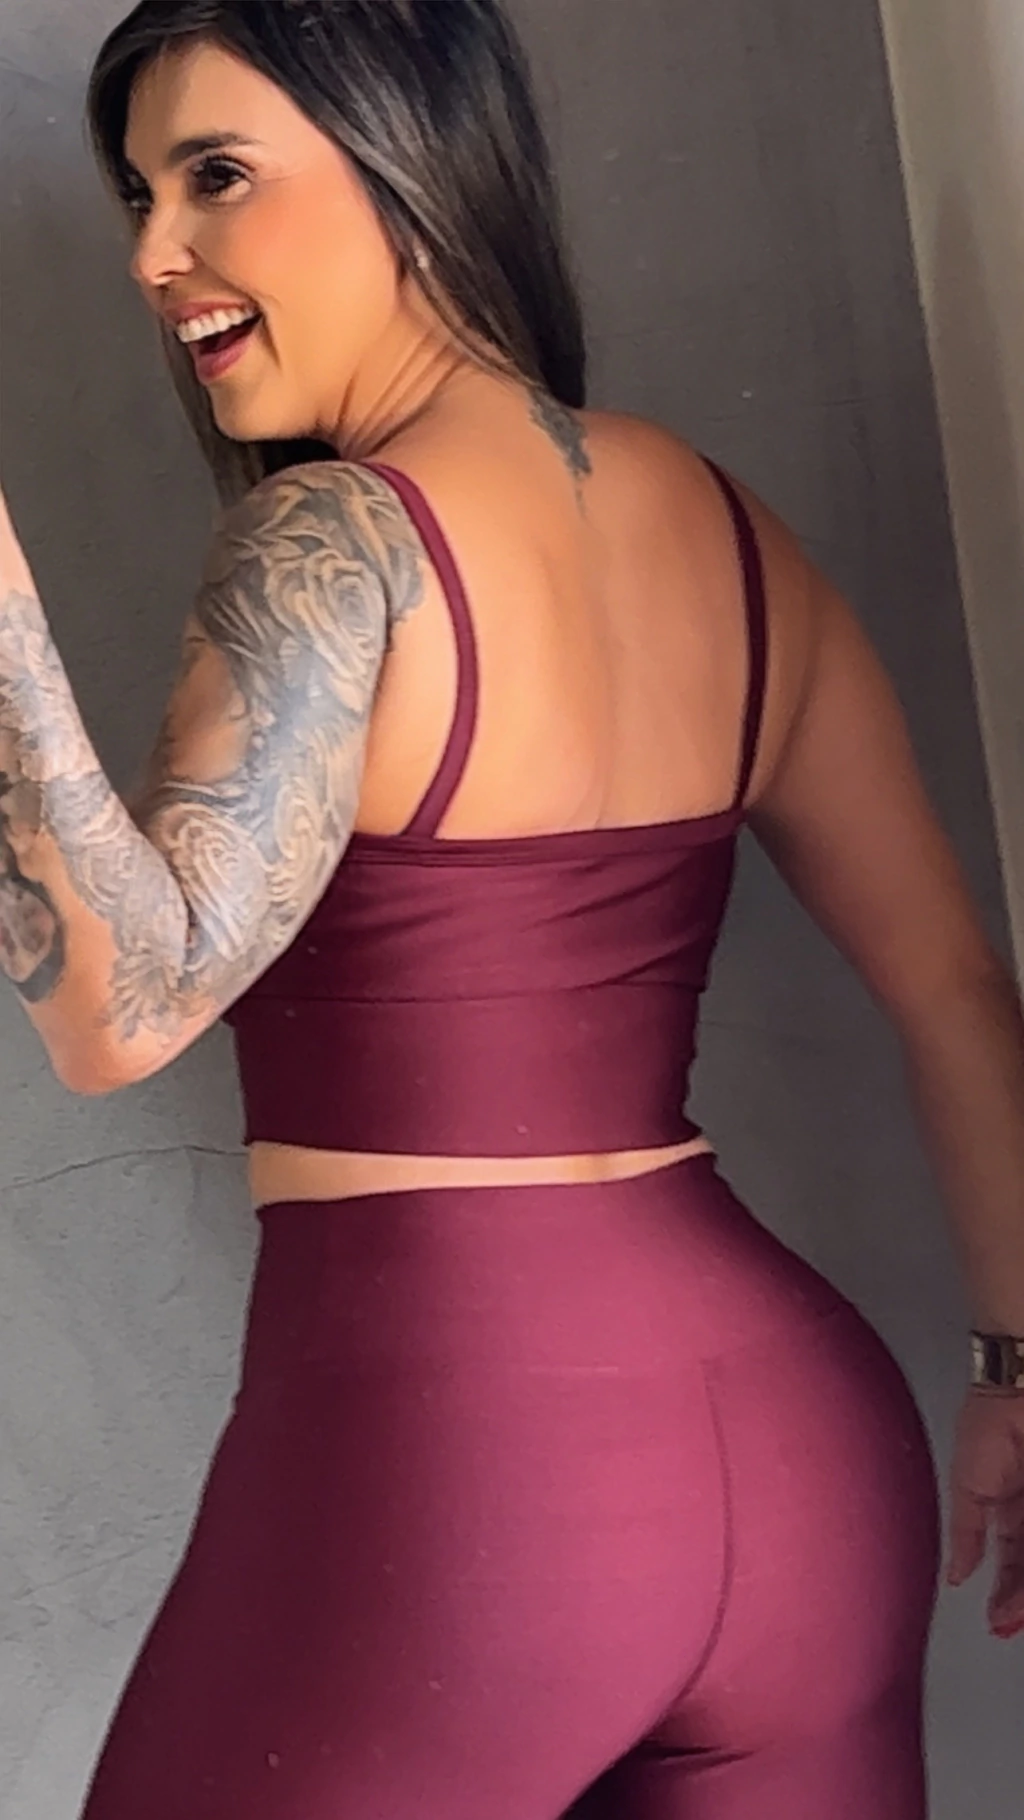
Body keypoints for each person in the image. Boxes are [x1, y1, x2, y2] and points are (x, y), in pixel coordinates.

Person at [0, 1, 1021, 1815]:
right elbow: (954, 987)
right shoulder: (732, 532)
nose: (156, 254)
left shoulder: (338, 541)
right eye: (142, 195)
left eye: (217, 175)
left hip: (472, 1470)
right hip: (803, 1460)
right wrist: (1017, 1364)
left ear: (405, 162)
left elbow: (119, 1011)